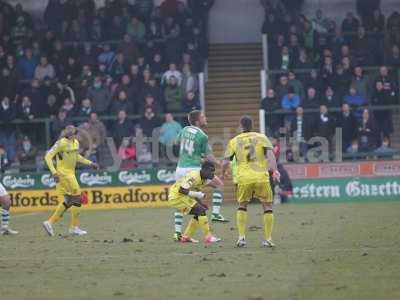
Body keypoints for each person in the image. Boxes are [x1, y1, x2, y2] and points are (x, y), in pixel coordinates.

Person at [222, 116, 280, 248]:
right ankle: (268, 239)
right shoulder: (261, 137)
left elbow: (225, 161)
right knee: (267, 207)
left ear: (241, 126)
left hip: (244, 179)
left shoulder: (234, 141)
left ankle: (241, 238)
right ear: (252, 125)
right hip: (261, 177)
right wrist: (275, 170)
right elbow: (271, 155)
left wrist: (223, 172)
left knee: (242, 205)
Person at [173, 110, 228, 242]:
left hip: (180, 169)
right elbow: (209, 156)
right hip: (193, 171)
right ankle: (215, 213)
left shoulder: (184, 129)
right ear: (198, 121)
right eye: (203, 117)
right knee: (219, 184)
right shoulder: (202, 135)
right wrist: (219, 163)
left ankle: (181, 234)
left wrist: (194, 155)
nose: (205, 118)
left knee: (189, 202)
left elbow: (176, 143)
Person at [42, 125, 99, 237]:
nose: (68, 130)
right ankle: (73, 228)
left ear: (74, 133)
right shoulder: (61, 143)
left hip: (70, 174)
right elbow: (48, 157)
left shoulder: (75, 142)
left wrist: (90, 163)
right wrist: (54, 172)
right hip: (63, 175)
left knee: (69, 201)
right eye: (67, 129)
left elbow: (77, 157)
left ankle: (49, 223)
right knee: (77, 197)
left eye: (71, 129)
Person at [168, 161, 221, 244]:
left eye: (213, 171)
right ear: (204, 170)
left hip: (182, 196)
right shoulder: (194, 177)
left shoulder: (204, 179)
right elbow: (182, 190)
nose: (212, 174)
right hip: (176, 196)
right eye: (211, 171)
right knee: (200, 211)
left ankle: (186, 237)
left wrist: (201, 203)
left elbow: (194, 191)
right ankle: (208, 237)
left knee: (200, 210)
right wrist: (198, 195)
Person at [0, 147, 18, 235]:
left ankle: (4, 228)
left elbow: (3, 167)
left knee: (6, 202)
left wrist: (7, 161)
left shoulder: (2, 155)